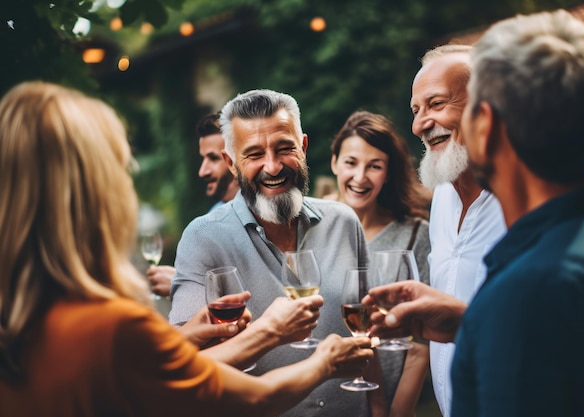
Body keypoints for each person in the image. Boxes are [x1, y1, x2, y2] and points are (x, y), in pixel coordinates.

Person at [0, 81, 375, 417]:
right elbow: (247, 396)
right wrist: (310, 353)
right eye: (119, 170)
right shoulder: (111, 328)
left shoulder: (23, 326)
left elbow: (174, 369)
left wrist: (181, 339)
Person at [365, 9, 584, 417]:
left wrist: (489, 320)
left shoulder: (527, 285)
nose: (420, 125)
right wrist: (465, 323)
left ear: (484, 124)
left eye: (444, 106)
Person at [170, 89, 377, 417]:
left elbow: (368, 335)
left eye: (285, 148)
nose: (273, 166)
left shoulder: (344, 222)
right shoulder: (202, 238)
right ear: (231, 163)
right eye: (253, 154)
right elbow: (184, 369)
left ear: (303, 148)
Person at [409, 44, 507, 417]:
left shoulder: (544, 191)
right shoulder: (443, 198)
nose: (419, 124)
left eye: (436, 104)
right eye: (415, 111)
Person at [328, 110, 432, 416]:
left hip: (391, 397)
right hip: (324, 397)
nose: (360, 177)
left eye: (374, 166)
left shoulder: (416, 235)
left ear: (388, 173)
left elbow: (421, 341)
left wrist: (397, 411)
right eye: (350, 163)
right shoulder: (308, 229)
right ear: (334, 162)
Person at [146, 113, 240, 298]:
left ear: (236, 162)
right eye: (203, 159)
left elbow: (255, 295)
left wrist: (180, 284)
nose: (202, 171)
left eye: (213, 159)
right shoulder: (214, 215)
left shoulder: (261, 219)